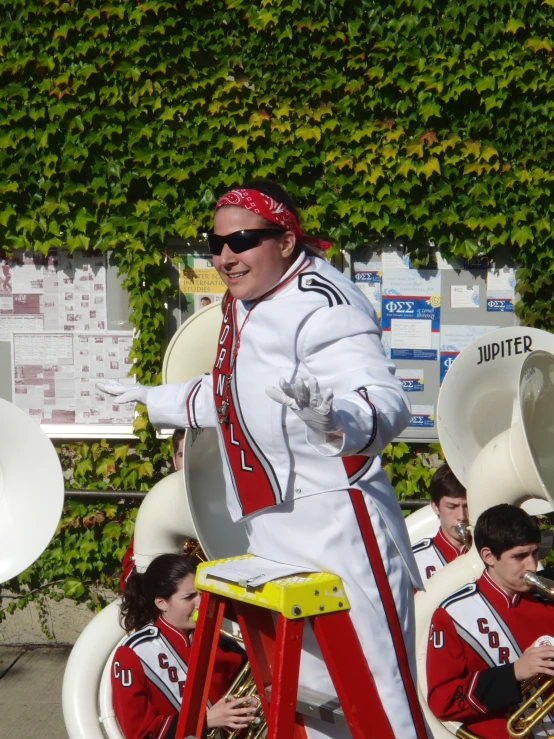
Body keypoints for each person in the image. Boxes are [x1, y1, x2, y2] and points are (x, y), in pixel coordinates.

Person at [99, 179, 427, 738]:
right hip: (269, 526)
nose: (226, 255)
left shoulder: (326, 300)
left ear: (286, 239)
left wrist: (336, 422)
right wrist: (157, 399)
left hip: (336, 523)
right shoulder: (243, 302)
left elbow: (384, 402)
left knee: (377, 692)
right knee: (312, 693)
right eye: (215, 243)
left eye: (244, 239)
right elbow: (231, 394)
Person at [426, 504, 554, 739]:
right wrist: (513, 673)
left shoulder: (547, 599)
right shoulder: (453, 614)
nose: (532, 565)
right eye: (519, 556)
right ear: (488, 556)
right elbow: (442, 701)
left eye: (535, 553)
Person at [112, 553, 256, 739]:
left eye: (203, 594)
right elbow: (140, 733)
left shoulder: (220, 640)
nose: (201, 603)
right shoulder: (133, 654)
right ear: (161, 602)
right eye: (189, 597)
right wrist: (205, 720)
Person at [119, 429, 186, 592]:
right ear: (175, 461)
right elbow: (129, 581)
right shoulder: (160, 504)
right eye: (183, 455)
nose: (190, 462)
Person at [412, 462, 469, 583]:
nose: (462, 516)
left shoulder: (493, 553)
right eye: (452, 507)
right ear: (435, 507)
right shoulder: (415, 559)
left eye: (467, 506)